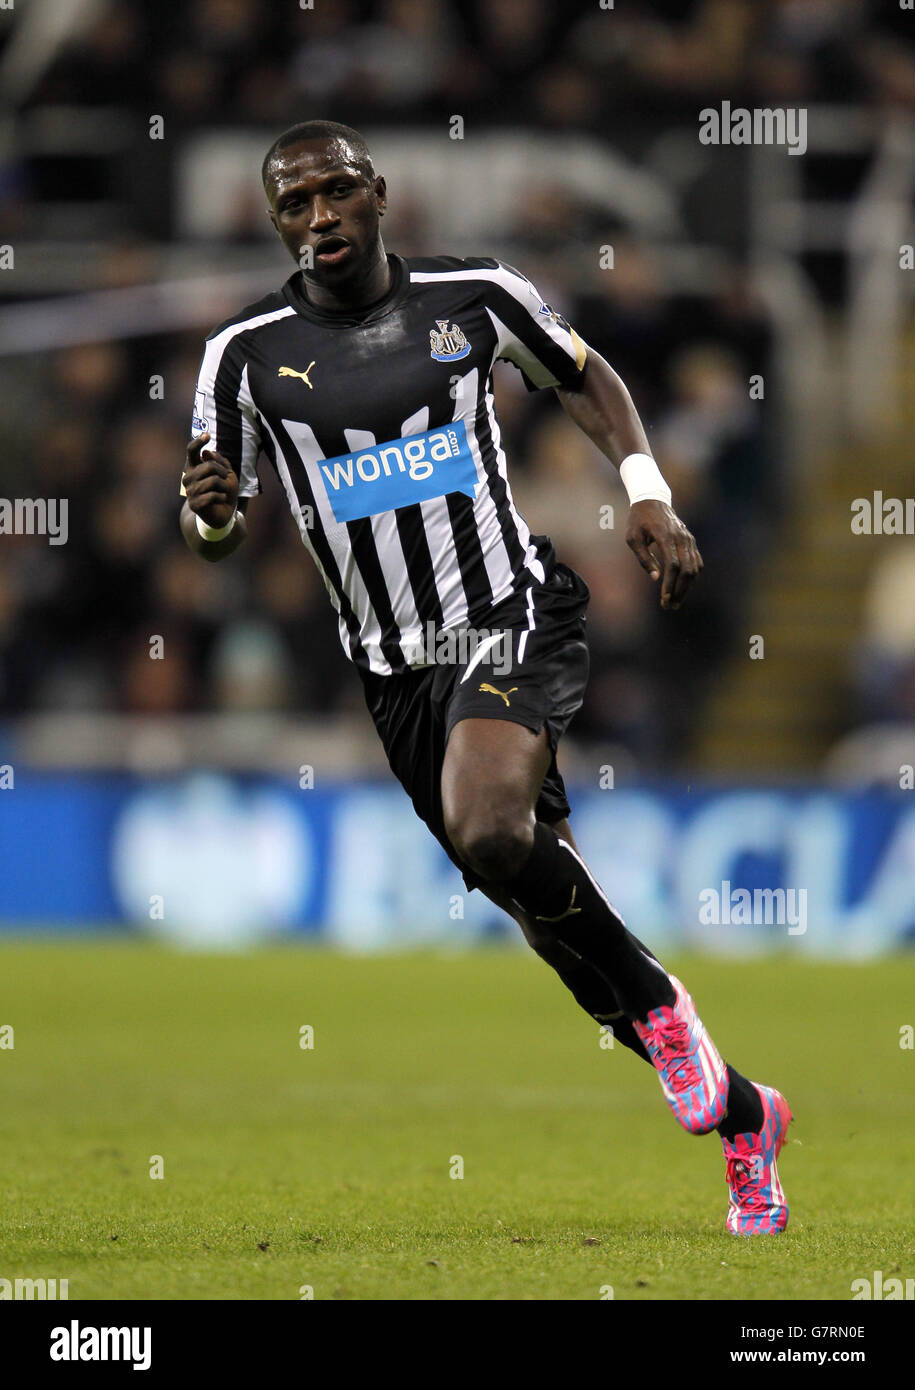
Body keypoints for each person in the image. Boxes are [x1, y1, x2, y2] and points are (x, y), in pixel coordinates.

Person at [180, 120, 791, 1235]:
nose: (318, 217)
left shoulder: (476, 292)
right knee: (539, 909)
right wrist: (212, 518)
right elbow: (213, 522)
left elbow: (586, 374)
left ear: (377, 193)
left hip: (511, 612)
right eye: (294, 204)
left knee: (493, 827)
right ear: (278, 223)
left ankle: (666, 1018)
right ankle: (743, 1111)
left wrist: (646, 490)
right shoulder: (244, 355)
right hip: (395, 673)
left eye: (335, 192)